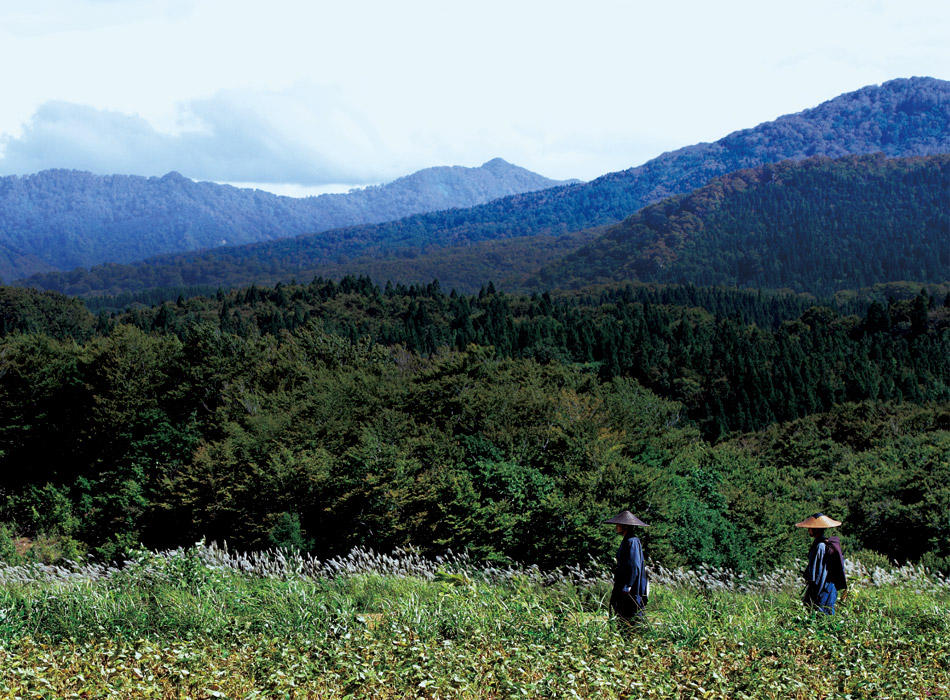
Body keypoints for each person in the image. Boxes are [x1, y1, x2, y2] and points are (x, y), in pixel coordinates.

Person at [603, 509, 650, 625]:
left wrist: (629, 584)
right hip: (624, 584)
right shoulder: (628, 540)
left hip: (630, 587)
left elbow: (634, 565)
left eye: (618, 525)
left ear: (625, 526)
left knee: (630, 614)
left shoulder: (632, 541)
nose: (616, 527)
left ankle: (634, 638)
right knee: (621, 613)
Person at [796, 512, 848, 615]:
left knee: (823, 621)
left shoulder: (820, 546)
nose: (808, 530)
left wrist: (815, 594)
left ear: (816, 529)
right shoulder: (820, 544)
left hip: (824, 590)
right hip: (826, 589)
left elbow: (819, 573)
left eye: (810, 528)